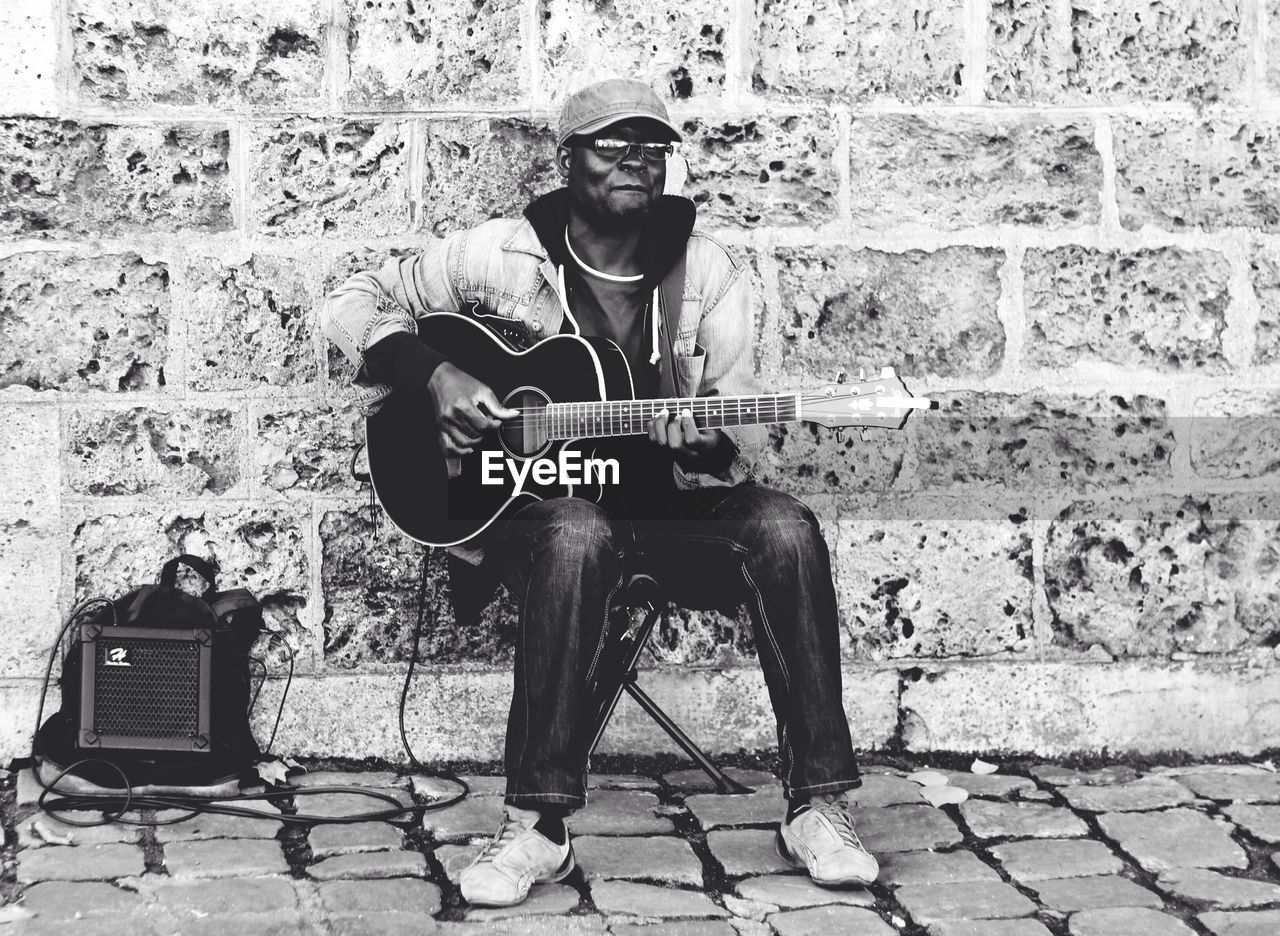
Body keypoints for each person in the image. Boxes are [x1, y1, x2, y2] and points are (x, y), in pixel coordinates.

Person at [321, 77, 877, 907]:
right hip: (533, 520)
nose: (635, 162)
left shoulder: (712, 273)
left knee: (785, 525)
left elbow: (736, 439)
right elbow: (349, 301)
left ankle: (817, 806)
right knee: (577, 528)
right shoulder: (501, 254)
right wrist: (432, 373)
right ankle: (538, 827)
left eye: (652, 149)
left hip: (657, 515)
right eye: (613, 145)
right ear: (569, 159)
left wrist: (707, 440)